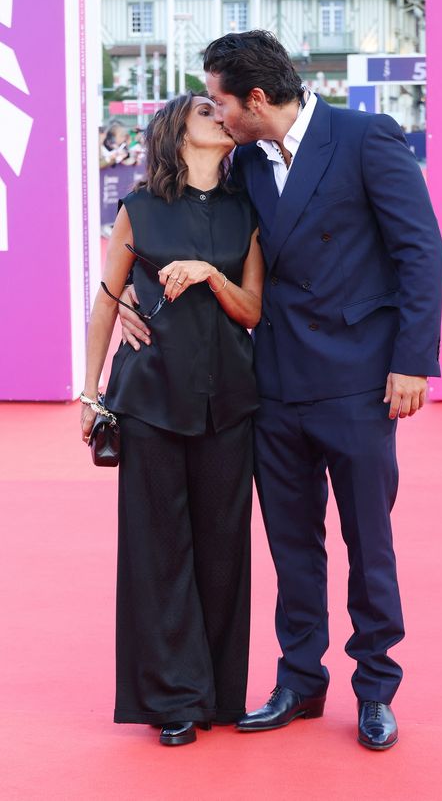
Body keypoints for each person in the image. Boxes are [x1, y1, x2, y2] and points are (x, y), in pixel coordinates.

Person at [122, 31, 442, 751]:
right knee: (292, 544)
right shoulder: (243, 166)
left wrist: (412, 361)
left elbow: (419, 248)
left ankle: (374, 688)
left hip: (360, 380)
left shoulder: (365, 137)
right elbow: (197, 232)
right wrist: (121, 304)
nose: (216, 114)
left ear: (257, 99)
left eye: (219, 102)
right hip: (271, 383)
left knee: (369, 539)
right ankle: (300, 679)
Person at [81, 92, 264, 747]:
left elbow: (251, 310)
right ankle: (173, 699)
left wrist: (210, 277)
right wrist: (89, 393)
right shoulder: (139, 209)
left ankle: (217, 691)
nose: (224, 119)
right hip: (151, 400)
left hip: (229, 401)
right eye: (208, 114)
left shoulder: (248, 211)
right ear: (177, 133)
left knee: (223, 553)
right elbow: (106, 302)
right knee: (158, 553)